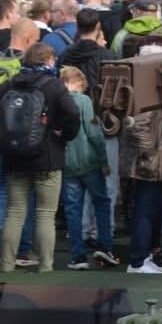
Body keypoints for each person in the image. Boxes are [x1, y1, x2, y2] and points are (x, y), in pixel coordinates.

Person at [0, 45, 77, 274]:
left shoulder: (12, 83)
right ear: (48, 59)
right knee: (45, 213)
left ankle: (6, 264)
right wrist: (63, 135)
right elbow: (73, 114)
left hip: (15, 157)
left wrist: (1, 137)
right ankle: (45, 266)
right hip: (48, 157)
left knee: (15, 212)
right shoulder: (54, 85)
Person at [56, 67, 115, 270]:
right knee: (101, 203)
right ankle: (105, 247)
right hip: (89, 162)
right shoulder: (84, 101)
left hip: (67, 164)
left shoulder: (54, 102)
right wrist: (104, 161)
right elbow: (94, 133)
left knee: (73, 210)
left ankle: (78, 256)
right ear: (78, 82)